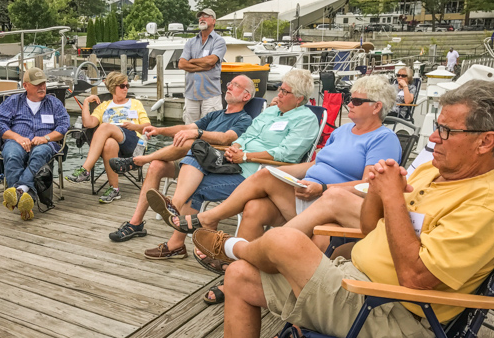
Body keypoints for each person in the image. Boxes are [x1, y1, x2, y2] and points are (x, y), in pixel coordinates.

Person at [192, 79, 494, 338]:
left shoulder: (487, 203)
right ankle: (237, 267)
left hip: (394, 312)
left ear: (485, 141)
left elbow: (417, 278)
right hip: (356, 282)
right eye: (438, 125)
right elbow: (370, 228)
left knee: (285, 241)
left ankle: (238, 248)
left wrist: (393, 198)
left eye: (447, 131)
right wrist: (379, 193)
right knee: (239, 276)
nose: (433, 137)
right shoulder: (434, 172)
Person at [190, 75, 401, 304]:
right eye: (349, 98)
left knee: (260, 194)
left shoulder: (383, 138)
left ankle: (214, 229)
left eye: (356, 101)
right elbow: (314, 165)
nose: (348, 103)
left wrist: (322, 187)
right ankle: (236, 273)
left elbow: (368, 186)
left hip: (333, 207)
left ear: (376, 107)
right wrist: (284, 174)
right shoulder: (342, 131)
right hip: (304, 194)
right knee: (257, 203)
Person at [145, 69, 320, 260]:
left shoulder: (306, 119)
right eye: (280, 89)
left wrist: (246, 156)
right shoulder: (271, 111)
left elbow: (286, 154)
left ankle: (183, 239)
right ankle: (186, 226)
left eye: (284, 92)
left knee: (196, 188)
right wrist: (234, 147)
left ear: (299, 98)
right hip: (236, 163)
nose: (278, 94)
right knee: (198, 151)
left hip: (258, 174)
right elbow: (248, 135)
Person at [106, 75, 255, 242]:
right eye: (229, 83)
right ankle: (135, 224)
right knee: (156, 166)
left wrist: (198, 134)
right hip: (192, 162)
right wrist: (159, 130)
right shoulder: (215, 115)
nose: (229, 86)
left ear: (246, 96)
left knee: (192, 142)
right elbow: (186, 127)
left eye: (235, 85)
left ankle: (139, 161)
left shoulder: (244, 119)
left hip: (213, 166)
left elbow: (226, 138)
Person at [0, 67, 70, 221]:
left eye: (43, 83)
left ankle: (19, 190)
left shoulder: (54, 103)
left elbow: (63, 127)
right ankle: (26, 197)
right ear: (25, 85)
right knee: (12, 154)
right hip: (17, 140)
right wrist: (16, 137)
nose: (42, 87)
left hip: (45, 143)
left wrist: (46, 138)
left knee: (39, 154)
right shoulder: (13, 101)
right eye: (37, 84)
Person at [66, 71, 151, 203]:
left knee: (105, 127)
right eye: (122, 86)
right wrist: (86, 103)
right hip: (114, 142)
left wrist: (134, 126)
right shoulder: (103, 106)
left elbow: (147, 126)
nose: (126, 89)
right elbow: (88, 123)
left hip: (133, 141)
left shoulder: (135, 103)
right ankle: (114, 189)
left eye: (127, 86)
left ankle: (85, 169)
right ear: (112, 87)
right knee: (109, 143)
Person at [179, 8, 227, 124]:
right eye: (200, 17)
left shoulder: (219, 41)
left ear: (214, 21)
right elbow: (181, 64)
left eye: (206, 16)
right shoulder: (190, 42)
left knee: (210, 128)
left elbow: (211, 61)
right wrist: (201, 67)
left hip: (210, 95)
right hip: (191, 94)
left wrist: (191, 61)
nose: (202, 19)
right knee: (189, 129)